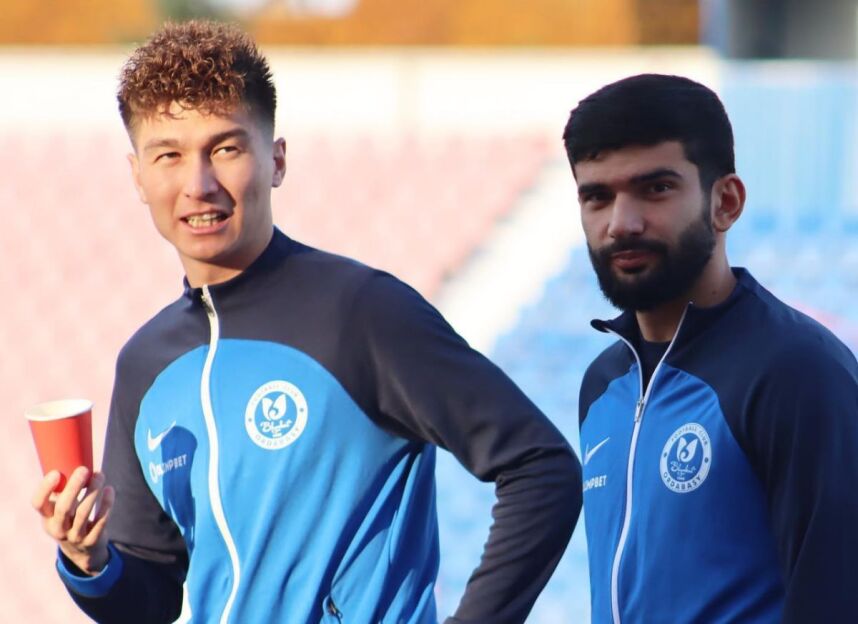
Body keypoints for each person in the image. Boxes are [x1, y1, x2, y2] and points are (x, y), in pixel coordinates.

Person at [31, 20, 582, 624]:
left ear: (276, 160)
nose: (199, 184)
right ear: (138, 176)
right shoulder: (146, 363)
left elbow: (541, 468)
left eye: (226, 149)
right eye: (169, 156)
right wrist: (90, 560)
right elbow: (150, 599)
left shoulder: (362, 312)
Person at [564, 73, 858, 623]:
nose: (621, 224)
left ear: (726, 202)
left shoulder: (796, 371)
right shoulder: (603, 384)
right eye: (597, 197)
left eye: (656, 189)